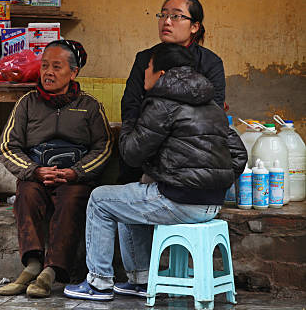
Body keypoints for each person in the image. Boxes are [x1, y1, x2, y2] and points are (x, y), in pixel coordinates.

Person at [64, 43, 247, 302]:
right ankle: (140, 280)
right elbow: (240, 155)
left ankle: (98, 282)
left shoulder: (162, 104)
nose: (144, 74)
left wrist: (130, 121)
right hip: (212, 203)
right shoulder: (213, 107)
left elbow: (132, 153)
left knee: (100, 199)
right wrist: (214, 182)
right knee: (128, 199)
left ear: (160, 74)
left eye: (147, 68)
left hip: (179, 200)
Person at [0, 40, 113, 298]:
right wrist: (34, 170)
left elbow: (103, 147)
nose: (48, 72)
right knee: (26, 193)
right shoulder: (27, 103)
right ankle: (32, 265)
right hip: (37, 174)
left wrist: (77, 172)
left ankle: (51, 272)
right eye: (45, 66)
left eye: (57, 67)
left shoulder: (90, 106)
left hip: (73, 177)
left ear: (73, 73)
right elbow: (7, 147)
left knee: (73, 199)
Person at [118, 0, 226, 185]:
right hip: (144, 148)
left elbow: (214, 113)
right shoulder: (145, 58)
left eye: (176, 16)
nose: (166, 22)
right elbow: (131, 105)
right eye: (163, 15)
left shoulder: (210, 63)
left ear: (195, 26)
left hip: (190, 155)